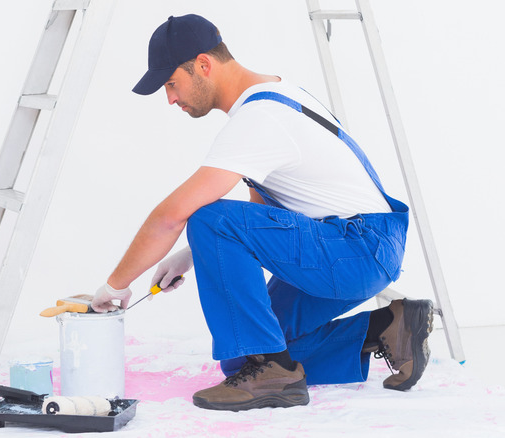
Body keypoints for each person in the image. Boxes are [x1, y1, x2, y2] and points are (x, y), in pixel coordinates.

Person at [90, 14, 434, 412]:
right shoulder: (272, 94)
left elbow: (173, 215)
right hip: (350, 246)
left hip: (355, 248)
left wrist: (116, 286)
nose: (170, 99)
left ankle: (273, 375)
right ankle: (389, 327)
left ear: (203, 65)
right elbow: (260, 208)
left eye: (171, 83)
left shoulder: (259, 118)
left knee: (207, 217)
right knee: (244, 354)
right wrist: (191, 256)